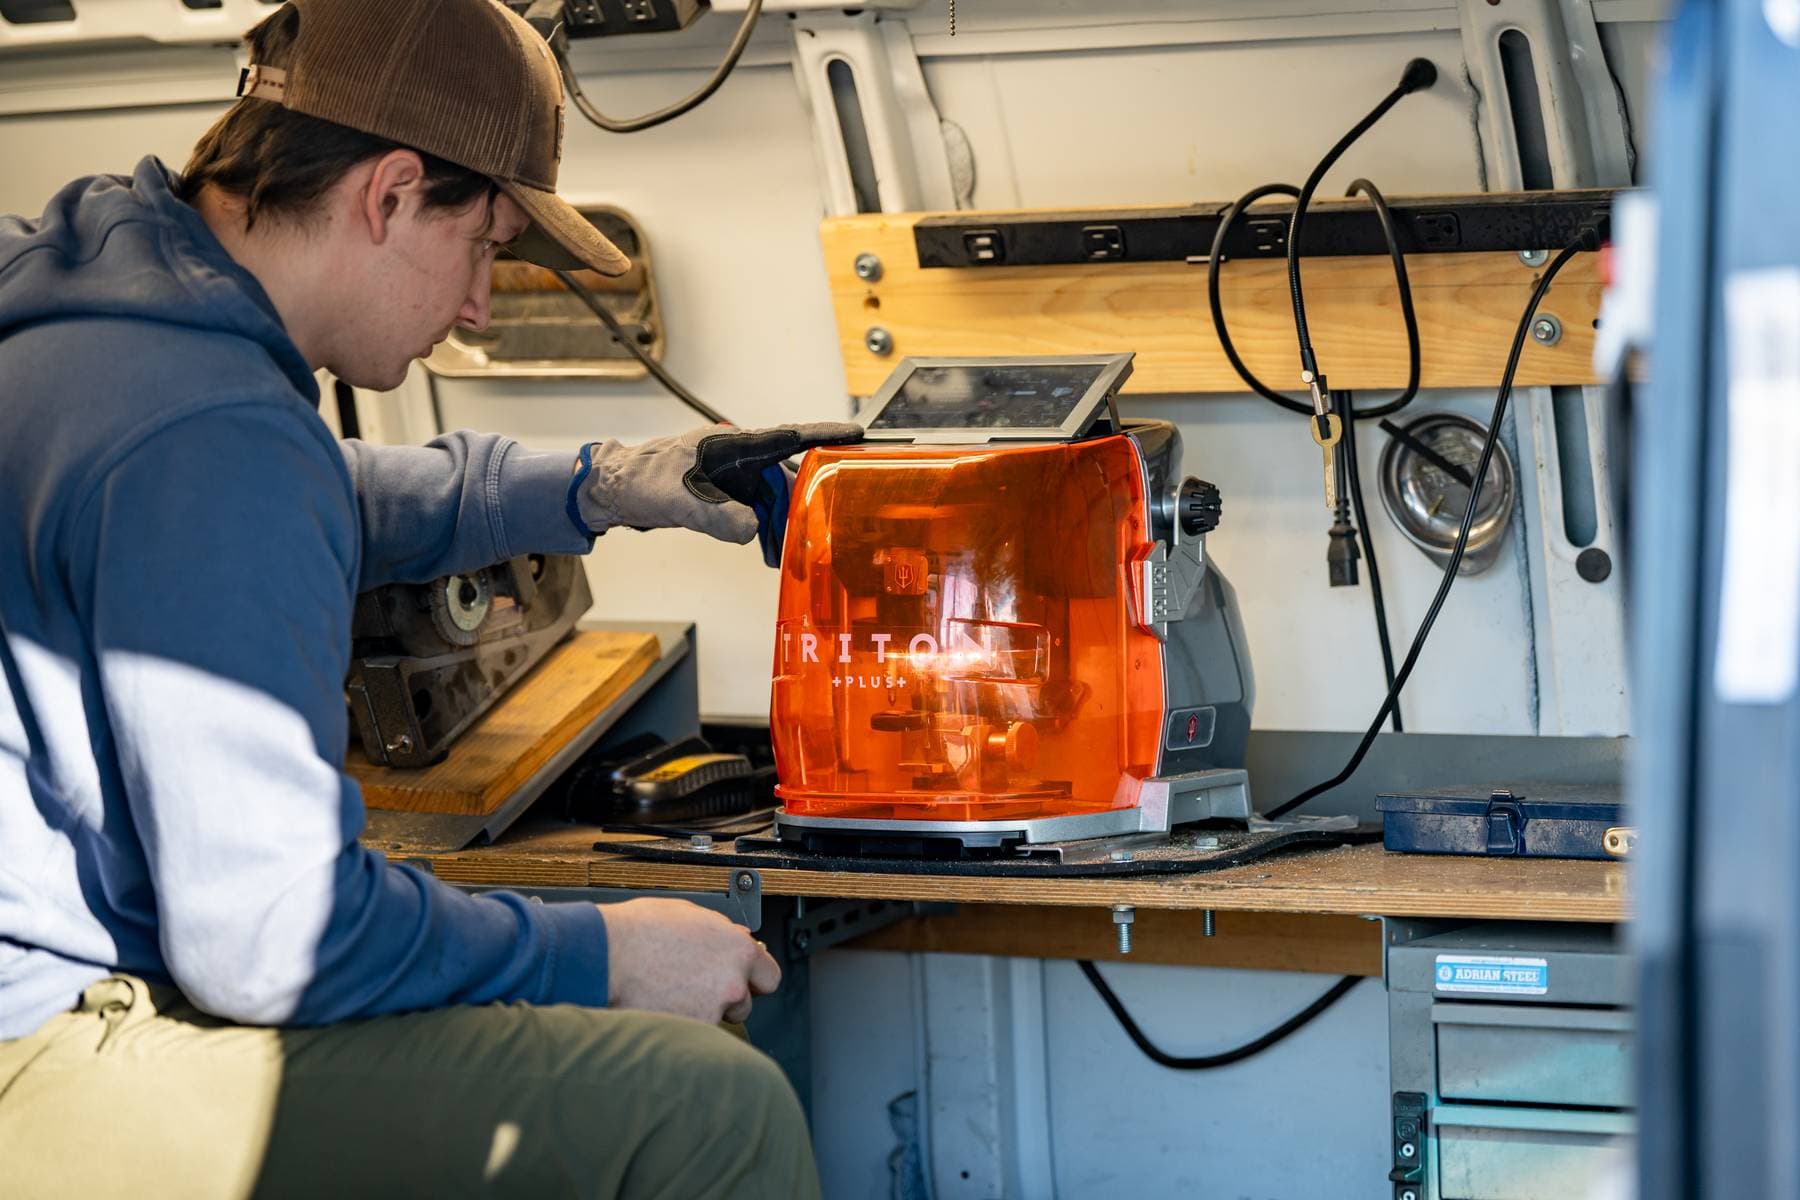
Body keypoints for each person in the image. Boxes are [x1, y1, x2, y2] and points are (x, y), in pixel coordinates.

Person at [0, 0, 858, 1194]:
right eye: (486, 248)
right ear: (391, 192)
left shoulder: (87, 311)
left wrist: (599, 485)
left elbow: (315, 494)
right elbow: (269, 942)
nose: (478, 310)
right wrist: (602, 950)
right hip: (33, 1054)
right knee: (709, 1112)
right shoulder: (211, 431)